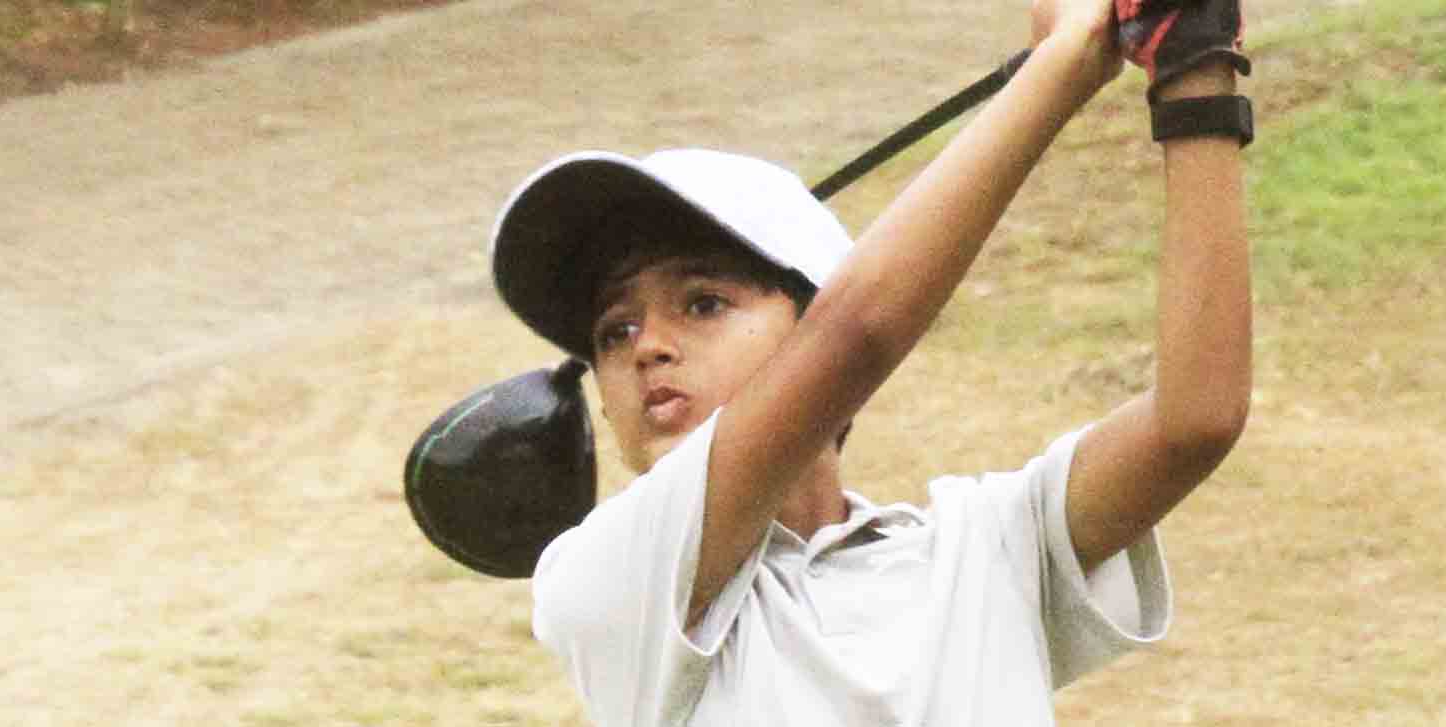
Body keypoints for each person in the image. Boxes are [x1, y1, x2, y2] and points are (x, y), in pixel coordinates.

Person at [488, 0, 1252, 723]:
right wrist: (1065, 62)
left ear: (808, 314)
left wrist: (1192, 66)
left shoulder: (986, 546)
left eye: (703, 303)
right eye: (614, 330)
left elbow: (1194, 420)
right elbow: (858, 332)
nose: (647, 346)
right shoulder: (606, 582)